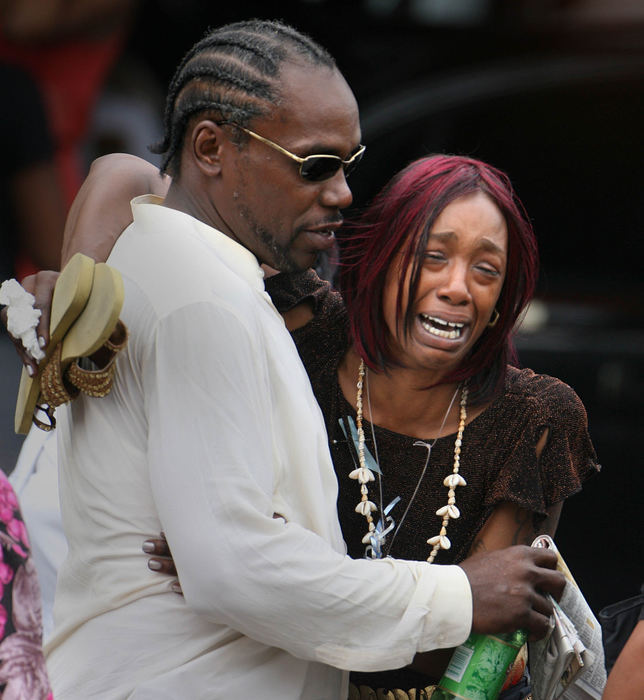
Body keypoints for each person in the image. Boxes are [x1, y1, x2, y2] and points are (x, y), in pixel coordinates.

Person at [4, 20, 566, 700]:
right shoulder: (203, 299)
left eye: (349, 166)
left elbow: (124, 175)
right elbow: (233, 570)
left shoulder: (195, 273)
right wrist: (459, 593)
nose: (341, 193)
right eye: (315, 165)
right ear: (211, 146)